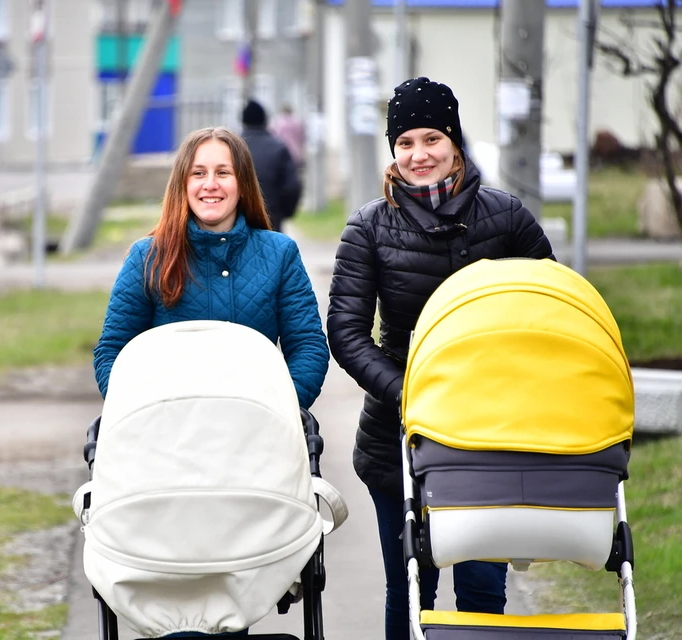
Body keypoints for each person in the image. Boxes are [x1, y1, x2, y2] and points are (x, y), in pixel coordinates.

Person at [326, 77, 555, 640]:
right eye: (405, 142)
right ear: (392, 150)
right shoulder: (369, 227)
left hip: (490, 434)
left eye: (431, 138)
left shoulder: (507, 218)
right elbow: (347, 332)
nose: (418, 154)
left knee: (481, 590)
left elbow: (551, 312)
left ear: (454, 141)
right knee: (412, 590)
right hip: (400, 434)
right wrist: (409, 393)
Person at [94, 126, 328, 410]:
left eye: (223, 173)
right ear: (183, 183)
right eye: (198, 173)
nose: (210, 184)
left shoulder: (280, 254)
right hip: (166, 435)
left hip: (258, 430)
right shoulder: (147, 257)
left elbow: (307, 347)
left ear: (242, 184)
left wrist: (279, 408)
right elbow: (112, 352)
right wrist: (144, 412)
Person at [240, 100, 302, 233]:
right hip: (271, 218)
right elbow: (292, 186)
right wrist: (285, 211)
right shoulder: (278, 147)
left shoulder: (233, 148)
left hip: (239, 218)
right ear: (264, 120)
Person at [270, 104, 306, 170]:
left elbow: (275, 136)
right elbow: (302, 138)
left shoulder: (279, 121)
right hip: (296, 153)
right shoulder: (297, 122)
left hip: (282, 152)